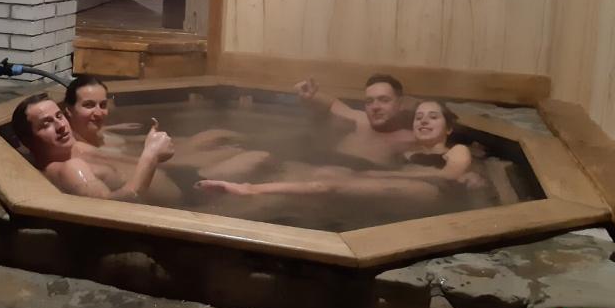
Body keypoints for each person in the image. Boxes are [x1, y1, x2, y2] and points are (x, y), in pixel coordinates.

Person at [196, 100, 483, 198]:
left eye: (433, 117)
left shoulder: (455, 150)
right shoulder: (406, 151)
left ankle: (250, 189)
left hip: (429, 192)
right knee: (323, 173)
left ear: (448, 128)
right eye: (419, 117)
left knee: (329, 184)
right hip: (402, 185)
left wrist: (376, 176)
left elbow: (449, 176)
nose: (423, 121)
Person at [61, 74, 268, 180]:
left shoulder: (99, 133)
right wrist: (192, 160)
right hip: (177, 174)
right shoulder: (82, 150)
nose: (99, 112)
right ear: (69, 110)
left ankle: (261, 138)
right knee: (258, 156)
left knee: (214, 135)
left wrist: (125, 134)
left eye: (103, 105)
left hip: (162, 162)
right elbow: (146, 163)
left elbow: (133, 147)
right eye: (89, 105)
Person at [11, 92, 174, 201]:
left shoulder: (69, 148)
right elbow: (110, 209)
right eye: (46, 124)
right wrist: (151, 155)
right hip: (170, 212)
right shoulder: (71, 169)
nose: (61, 126)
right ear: (28, 141)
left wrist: (109, 129)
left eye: (59, 116)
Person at [294, 73, 416, 166]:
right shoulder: (360, 120)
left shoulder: (408, 138)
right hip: (324, 168)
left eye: (384, 100)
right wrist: (309, 97)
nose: (375, 107)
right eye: (369, 101)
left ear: (400, 104)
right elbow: (330, 104)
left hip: (361, 181)